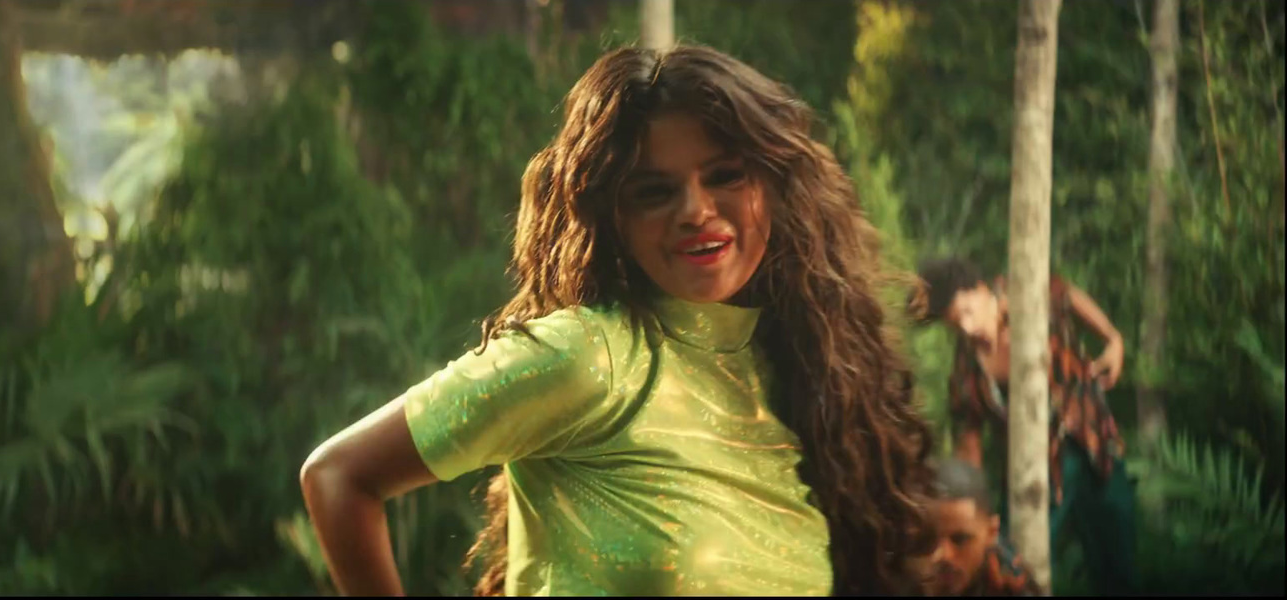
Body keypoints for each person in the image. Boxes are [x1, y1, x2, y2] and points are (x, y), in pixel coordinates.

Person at [299, 44, 937, 597]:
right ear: (615, 218)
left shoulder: (800, 376)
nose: (696, 210)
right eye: (655, 191)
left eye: (724, 176)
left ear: (774, 188)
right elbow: (338, 476)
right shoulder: (588, 358)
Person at [913, 257, 1137, 595]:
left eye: (968, 313)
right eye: (956, 324)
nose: (968, 328)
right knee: (1015, 560)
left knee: (1118, 566)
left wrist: (1113, 339)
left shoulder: (1026, 292)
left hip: (1092, 445)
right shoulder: (967, 366)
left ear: (981, 289)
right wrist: (966, 501)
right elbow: (970, 440)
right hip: (1035, 471)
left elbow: (1068, 295)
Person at [924, 458, 1043, 597]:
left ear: (991, 532)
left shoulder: (1012, 583)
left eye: (960, 539)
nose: (942, 554)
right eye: (928, 539)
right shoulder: (904, 574)